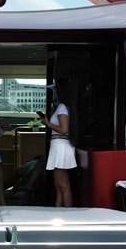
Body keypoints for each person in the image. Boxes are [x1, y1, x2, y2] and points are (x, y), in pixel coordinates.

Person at [42, 78, 76, 207]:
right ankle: (58, 211)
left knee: (63, 184)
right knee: (58, 185)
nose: (54, 93)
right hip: (58, 146)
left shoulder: (62, 107)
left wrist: (48, 124)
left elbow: (64, 129)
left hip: (61, 146)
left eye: (55, 90)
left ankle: (67, 213)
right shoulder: (61, 106)